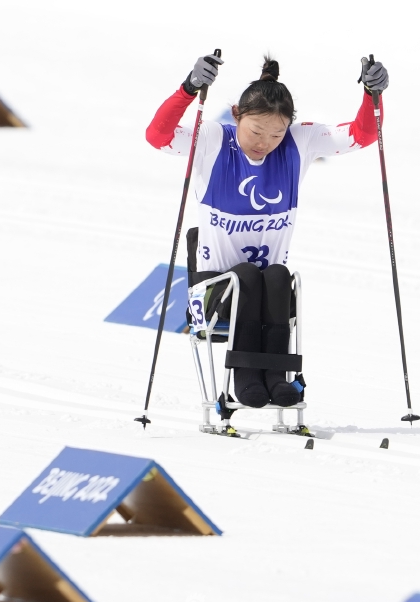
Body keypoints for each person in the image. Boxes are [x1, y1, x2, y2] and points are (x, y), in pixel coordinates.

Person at [146, 53, 389, 409]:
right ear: (236, 116)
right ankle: (245, 378)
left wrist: (372, 95)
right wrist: (188, 89)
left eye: (276, 134)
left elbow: (361, 135)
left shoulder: (300, 142)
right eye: (255, 131)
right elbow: (158, 136)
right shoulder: (214, 140)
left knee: (277, 275)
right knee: (245, 275)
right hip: (213, 295)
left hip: (268, 297)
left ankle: (276, 377)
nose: (265, 142)